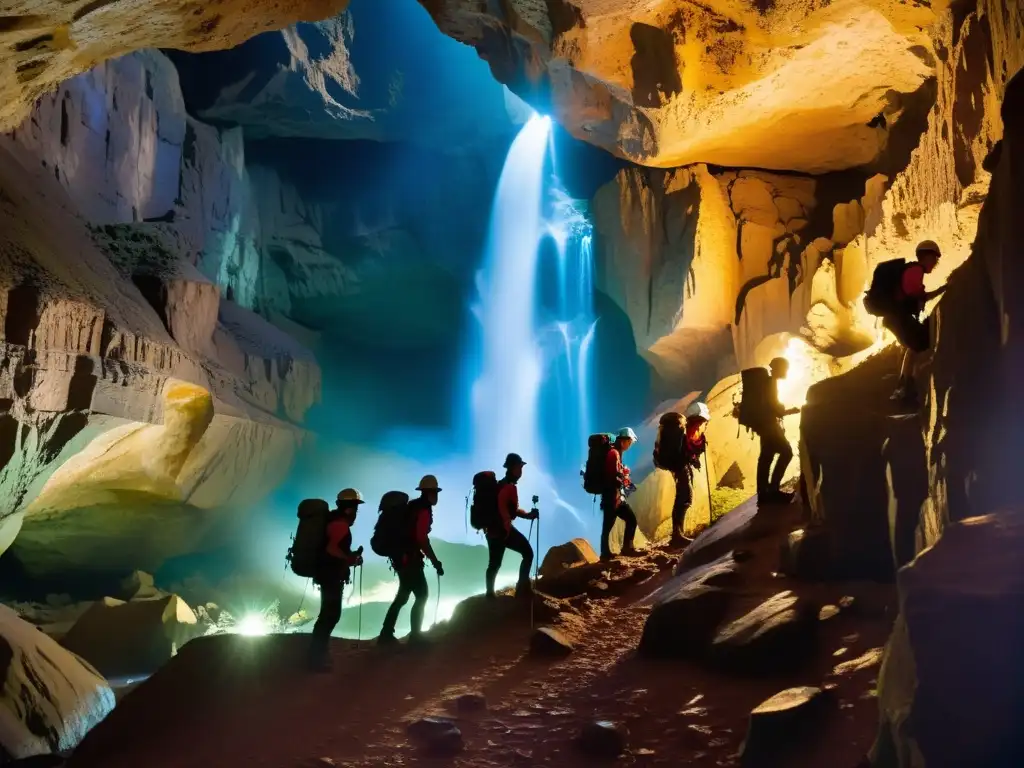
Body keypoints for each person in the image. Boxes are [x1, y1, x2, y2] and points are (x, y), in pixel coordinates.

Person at [378, 475, 444, 647]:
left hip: (401, 558)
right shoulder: (422, 510)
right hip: (410, 559)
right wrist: (435, 561)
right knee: (422, 595)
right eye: (435, 492)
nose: (436, 496)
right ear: (429, 493)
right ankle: (415, 637)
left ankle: (386, 633)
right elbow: (421, 539)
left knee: (403, 597)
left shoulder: (413, 507)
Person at [884, 240, 946, 406]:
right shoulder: (915, 270)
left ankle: (904, 386)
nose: (935, 263)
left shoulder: (914, 270)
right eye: (934, 258)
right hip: (897, 317)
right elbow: (914, 293)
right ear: (926, 256)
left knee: (913, 345)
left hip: (895, 317)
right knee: (920, 341)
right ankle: (904, 388)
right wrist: (938, 292)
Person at [308, 488, 364, 671]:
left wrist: (350, 557)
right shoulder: (340, 524)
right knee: (330, 615)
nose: (356, 512)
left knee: (328, 615)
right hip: (331, 575)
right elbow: (332, 549)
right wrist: (349, 559)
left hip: (327, 574)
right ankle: (316, 658)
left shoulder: (333, 521)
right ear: (349, 508)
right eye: (355, 508)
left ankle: (318, 654)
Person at [486, 453, 539, 600]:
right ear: (513, 468)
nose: (521, 471)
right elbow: (507, 509)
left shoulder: (500, 485)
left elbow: (510, 509)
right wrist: (507, 527)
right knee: (528, 553)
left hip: (492, 531)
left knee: (494, 564)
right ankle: (522, 588)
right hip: (503, 530)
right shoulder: (509, 487)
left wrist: (527, 515)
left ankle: (489, 594)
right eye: (519, 468)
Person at [756, 358, 800, 505]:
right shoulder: (771, 383)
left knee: (766, 458)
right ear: (779, 368)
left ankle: (764, 495)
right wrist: (787, 411)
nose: (786, 372)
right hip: (770, 427)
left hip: (765, 426)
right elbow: (774, 407)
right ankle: (773, 491)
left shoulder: (767, 383)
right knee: (786, 452)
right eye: (785, 368)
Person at [669, 402, 710, 547]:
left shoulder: (685, 429)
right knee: (685, 496)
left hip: (680, 466)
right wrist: (693, 459)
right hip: (681, 466)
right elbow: (689, 448)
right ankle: (677, 534)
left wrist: (693, 459)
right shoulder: (692, 430)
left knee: (683, 496)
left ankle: (677, 533)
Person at [600, 427, 640, 561]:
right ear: (623, 441)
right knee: (629, 520)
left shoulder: (615, 452)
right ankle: (623, 549)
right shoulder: (614, 454)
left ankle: (607, 553)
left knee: (608, 525)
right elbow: (612, 475)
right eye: (629, 442)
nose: (630, 445)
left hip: (612, 496)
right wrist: (623, 476)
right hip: (613, 497)